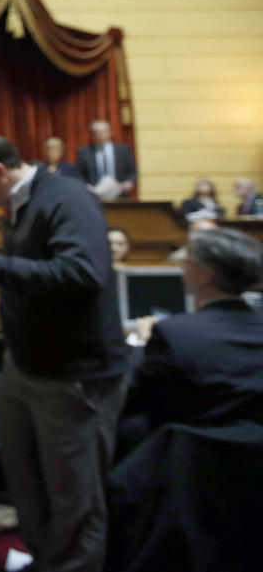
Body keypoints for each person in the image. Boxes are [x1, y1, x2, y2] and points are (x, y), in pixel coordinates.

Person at [0, 134, 128, 572]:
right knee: (27, 484)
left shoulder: (65, 196)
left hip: (72, 375)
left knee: (75, 499)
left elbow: (84, 273)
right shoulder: (22, 202)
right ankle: (46, 561)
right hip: (27, 367)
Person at [107, 227, 263, 572]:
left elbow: (134, 397)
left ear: (205, 275)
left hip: (198, 473)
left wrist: (144, 346)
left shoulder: (175, 333)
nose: (183, 269)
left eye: (188, 262)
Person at [75, 119, 137, 198]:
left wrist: (130, 182)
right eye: (96, 133)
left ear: (110, 132)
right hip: (94, 195)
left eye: (104, 132)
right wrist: (88, 188)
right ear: (92, 135)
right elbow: (78, 174)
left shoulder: (123, 150)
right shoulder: (85, 152)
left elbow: (132, 172)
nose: (100, 135)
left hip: (120, 195)